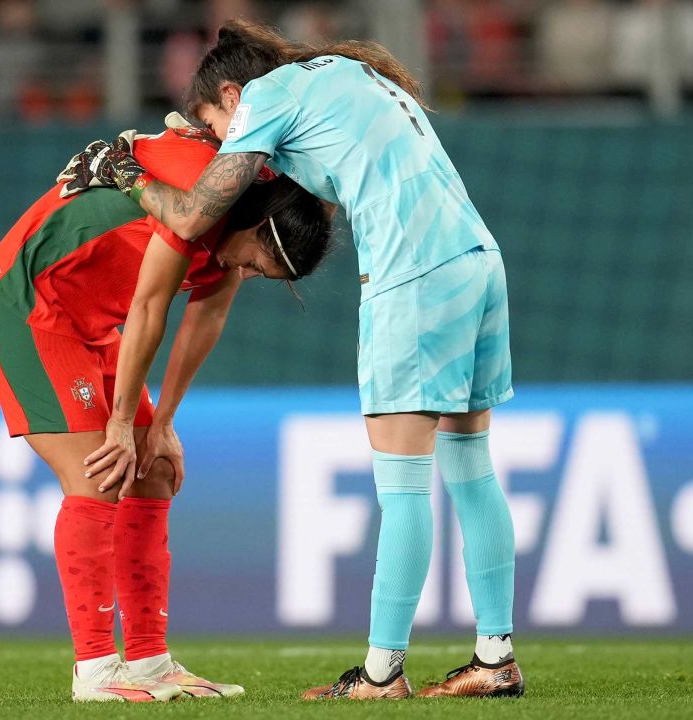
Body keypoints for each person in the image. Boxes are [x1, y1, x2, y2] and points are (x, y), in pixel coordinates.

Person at [59, 20, 521, 700]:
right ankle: (495, 658)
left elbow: (188, 219)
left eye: (215, 123)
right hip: (478, 263)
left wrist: (118, 169)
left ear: (231, 92)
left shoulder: (268, 99)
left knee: (402, 486)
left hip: (415, 277)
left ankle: (381, 674)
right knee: (470, 469)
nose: (221, 139)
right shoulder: (347, 74)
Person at [0, 118, 333, 703]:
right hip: (28, 308)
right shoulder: (200, 202)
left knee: (153, 471)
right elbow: (150, 308)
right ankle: (94, 670)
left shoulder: (229, 239)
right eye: (261, 264)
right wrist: (120, 425)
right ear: (260, 226)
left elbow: (204, 318)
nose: (250, 274)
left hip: (95, 327)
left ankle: (148, 661)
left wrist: (161, 426)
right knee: (100, 470)